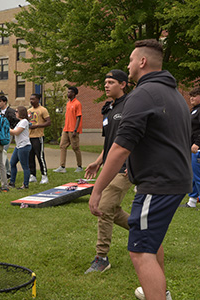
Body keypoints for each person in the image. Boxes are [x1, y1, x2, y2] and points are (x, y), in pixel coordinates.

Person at [88, 39, 192, 300]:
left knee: (140, 250)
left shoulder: (142, 95)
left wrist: (97, 189)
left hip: (158, 183)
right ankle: (158, 291)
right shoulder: (174, 94)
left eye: (131, 60)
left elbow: (121, 148)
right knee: (151, 242)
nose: (128, 65)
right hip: (175, 180)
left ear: (142, 62)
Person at [84, 70, 132, 274]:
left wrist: (134, 161)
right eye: (105, 82)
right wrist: (97, 162)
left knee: (103, 208)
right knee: (112, 210)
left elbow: (135, 137)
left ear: (123, 84)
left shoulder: (131, 105)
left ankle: (101, 258)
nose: (106, 85)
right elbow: (111, 142)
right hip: (110, 166)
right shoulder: (109, 109)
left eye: (111, 82)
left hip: (126, 168)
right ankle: (146, 231)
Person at [54, 86, 83, 173]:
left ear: (74, 93)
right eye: (68, 92)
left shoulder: (77, 103)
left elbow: (79, 117)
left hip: (73, 129)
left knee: (75, 148)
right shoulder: (68, 103)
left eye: (69, 92)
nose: (68, 93)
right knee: (62, 146)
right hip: (66, 128)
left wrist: (75, 130)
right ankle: (62, 167)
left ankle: (79, 166)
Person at [28, 93, 51, 184]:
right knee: (30, 157)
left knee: (40, 156)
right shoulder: (29, 110)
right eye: (30, 99)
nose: (31, 101)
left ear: (38, 99)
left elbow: (48, 122)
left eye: (33, 99)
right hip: (30, 136)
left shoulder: (43, 110)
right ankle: (32, 175)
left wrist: (37, 126)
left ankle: (44, 175)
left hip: (38, 137)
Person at [8, 106, 32, 189]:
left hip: (24, 146)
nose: (15, 113)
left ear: (21, 113)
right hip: (18, 146)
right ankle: (12, 182)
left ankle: (25, 184)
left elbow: (16, 132)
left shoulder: (24, 121)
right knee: (12, 163)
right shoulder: (19, 122)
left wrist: (6, 128)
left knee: (25, 166)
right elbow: (13, 132)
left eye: (17, 111)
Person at [0, 95, 18, 178]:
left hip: (7, 134)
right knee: (1, 152)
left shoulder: (10, 111)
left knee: (3, 151)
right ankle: (5, 170)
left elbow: (16, 121)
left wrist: (11, 129)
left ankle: (8, 172)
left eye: (0, 101)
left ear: (5, 102)